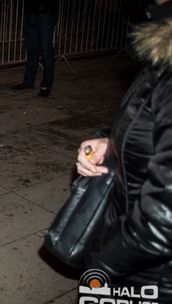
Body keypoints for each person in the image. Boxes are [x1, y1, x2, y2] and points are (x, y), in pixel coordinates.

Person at [75, 1, 172, 301]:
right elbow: (152, 124)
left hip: (151, 274)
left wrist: (100, 263)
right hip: (130, 249)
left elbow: (164, 220)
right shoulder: (162, 35)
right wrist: (111, 142)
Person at [11, 0, 60, 97]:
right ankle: (28, 81)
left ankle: (46, 85)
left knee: (46, 51)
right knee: (31, 50)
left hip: (46, 13)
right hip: (31, 13)